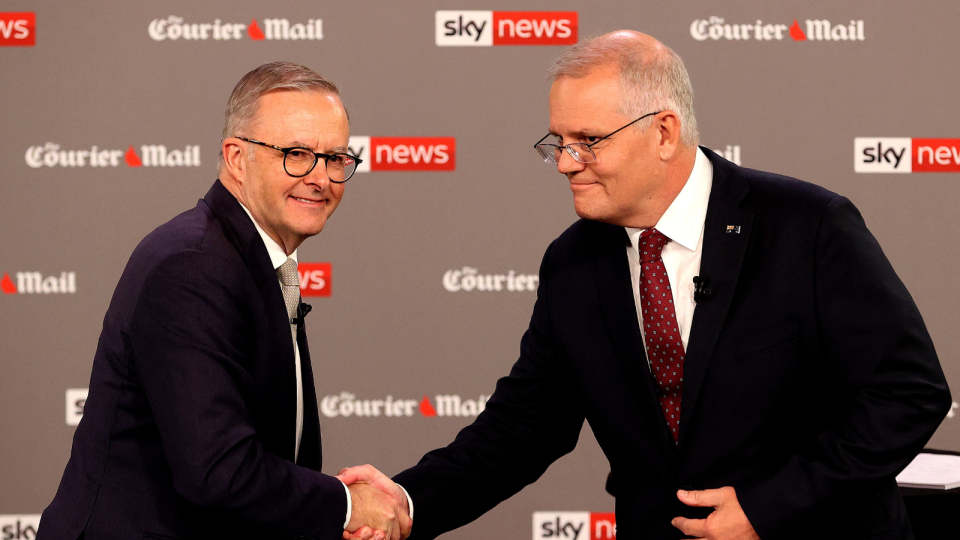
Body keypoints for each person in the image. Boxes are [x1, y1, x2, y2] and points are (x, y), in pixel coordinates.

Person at [338, 32, 952, 540]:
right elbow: (523, 428)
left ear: (662, 131)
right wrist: (408, 502)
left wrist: (770, 507)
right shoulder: (573, 263)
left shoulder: (806, 226)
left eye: (588, 142)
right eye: (559, 141)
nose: (565, 162)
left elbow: (907, 393)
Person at [38, 62, 410, 540]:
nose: (320, 177)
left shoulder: (245, 256)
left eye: (336, 158)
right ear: (236, 158)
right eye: (296, 154)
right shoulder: (194, 266)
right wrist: (345, 505)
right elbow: (218, 472)